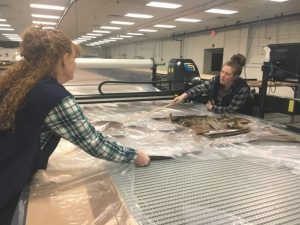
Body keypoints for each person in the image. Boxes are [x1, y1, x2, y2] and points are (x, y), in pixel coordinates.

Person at [0, 27, 150, 225]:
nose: (75, 64)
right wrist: (135, 155)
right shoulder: (54, 97)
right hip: (7, 181)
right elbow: (95, 143)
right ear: (64, 58)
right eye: (74, 58)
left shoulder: (19, 83)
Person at [172, 54, 252, 115]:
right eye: (222, 72)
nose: (222, 76)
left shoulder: (242, 89)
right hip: (221, 117)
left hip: (241, 119)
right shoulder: (216, 80)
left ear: (235, 76)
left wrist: (212, 108)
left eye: (227, 74)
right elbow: (200, 88)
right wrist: (184, 95)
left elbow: (230, 110)